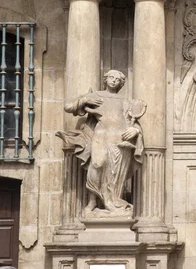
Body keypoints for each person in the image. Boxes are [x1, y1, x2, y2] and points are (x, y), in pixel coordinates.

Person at [57, 70, 145, 217]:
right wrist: (84, 100)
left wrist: (135, 131)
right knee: (97, 164)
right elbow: (68, 106)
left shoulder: (124, 100)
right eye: (111, 77)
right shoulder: (96, 96)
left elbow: (132, 121)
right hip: (101, 136)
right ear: (106, 79)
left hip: (119, 140)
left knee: (114, 173)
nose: (114, 81)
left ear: (121, 84)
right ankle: (92, 202)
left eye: (118, 79)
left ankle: (112, 203)